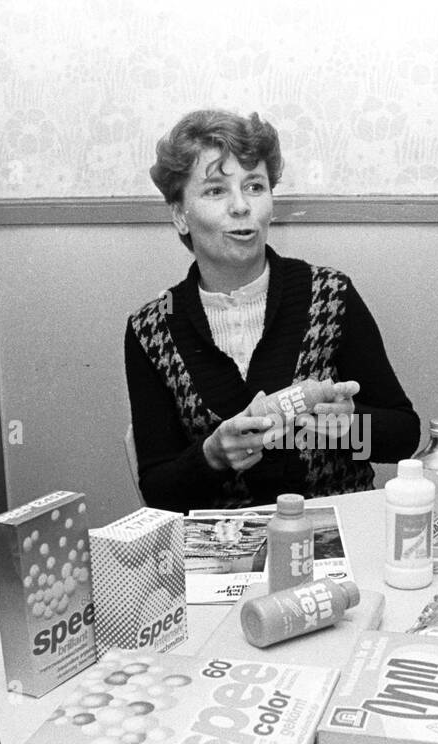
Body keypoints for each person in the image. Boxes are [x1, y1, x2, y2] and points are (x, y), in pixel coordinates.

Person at [124, 109, 420, 512]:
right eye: (215, 191)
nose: (241, 206)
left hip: (332, 543)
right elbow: (159, 492)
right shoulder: (151, 329)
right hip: (223, 553)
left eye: (255, 186)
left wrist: (348, 429)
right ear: (179, 214)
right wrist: (212, 455)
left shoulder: (330, 295)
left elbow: (404, 435)